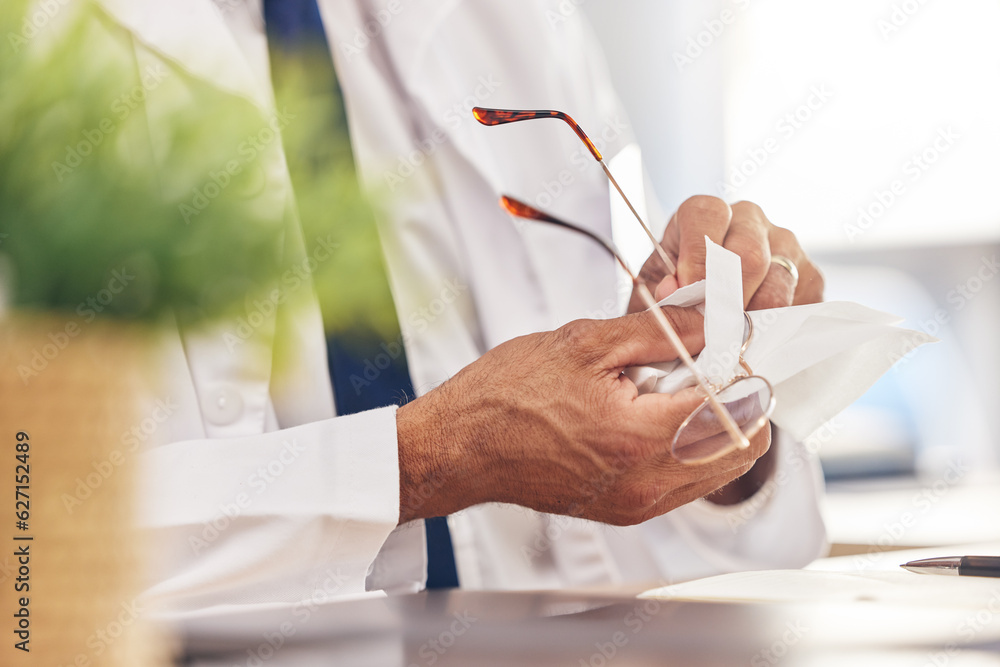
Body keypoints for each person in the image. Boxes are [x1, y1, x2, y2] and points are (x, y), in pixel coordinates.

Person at [71, 0, 826, 613]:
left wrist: (692, 392)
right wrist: (427, 461)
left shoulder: (511, 21)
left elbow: (618, 541)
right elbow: (33, 552)